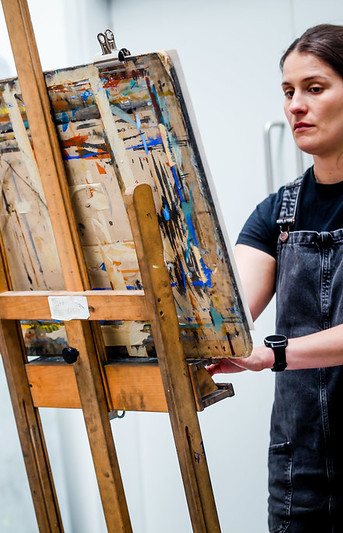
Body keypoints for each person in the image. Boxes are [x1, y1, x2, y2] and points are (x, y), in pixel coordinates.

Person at [207, 23, 343, 533]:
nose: (295, 106)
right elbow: (230, 312)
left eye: (314, 87)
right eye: (288, 92)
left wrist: (273, 354)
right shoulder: (276, 214)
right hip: (299, 467)